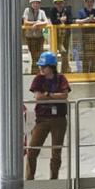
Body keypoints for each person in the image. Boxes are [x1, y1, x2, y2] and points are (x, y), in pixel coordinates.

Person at [26, 51, 71, 180]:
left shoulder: (61, 78)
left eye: (43, 66)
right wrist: (53, 96)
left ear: (51, 67)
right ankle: (29, 180)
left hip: (59, 119)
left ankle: (54, 180)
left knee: (56, 151)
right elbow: (38, 97)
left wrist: (47, 95)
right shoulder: (38, 79)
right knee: (32, 150)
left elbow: (64, 95)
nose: (40, 69)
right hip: (42, 119)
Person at [22, 0, 51, 67]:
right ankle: (34, 69)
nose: (35, 4)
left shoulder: (42, 12)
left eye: (37, 3)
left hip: (40, 36)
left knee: (39, 53)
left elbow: (46, 22)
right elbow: (25, 22)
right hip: (30, 36)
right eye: (34, 3)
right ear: (31, 3)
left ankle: (37, 69)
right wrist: (35, 23)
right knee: (33, 54)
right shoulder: (27, 11)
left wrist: (38, 24)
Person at [77, 0, 95, 72]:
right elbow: (77, 21)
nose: (89, 3)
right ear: (85, 2)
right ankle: (85, 73)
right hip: (85, 37)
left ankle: (94, 73)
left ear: (93, 2)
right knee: (85, 56)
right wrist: (87, 20)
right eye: (88, 1)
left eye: (91, 1)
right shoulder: (81, 12)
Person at [49, 0, 74, 72]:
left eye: (60, 3)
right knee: (57, 53)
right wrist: (60, 20)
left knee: (65, 53)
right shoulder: (52, 10)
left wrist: (65, 21)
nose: (59, 4)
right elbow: (53, 21)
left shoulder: (67, 10)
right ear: (55, 4)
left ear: (63, 3)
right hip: (56, 35)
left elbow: (70, 21)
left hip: (66, 35)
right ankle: (56, 71)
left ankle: (64, 71)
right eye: (57, 3)